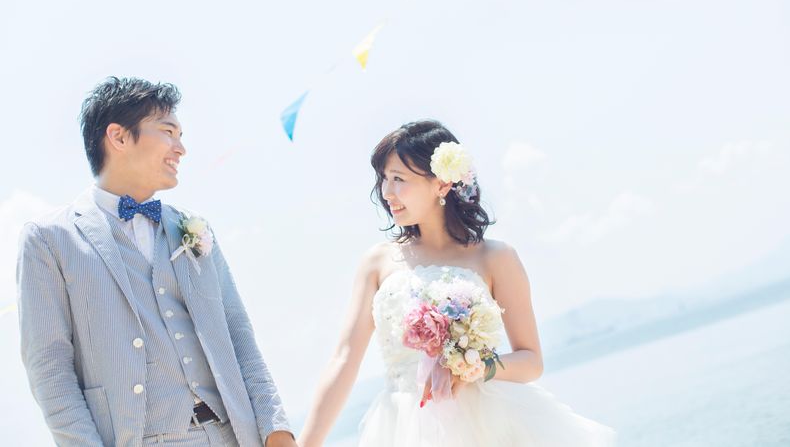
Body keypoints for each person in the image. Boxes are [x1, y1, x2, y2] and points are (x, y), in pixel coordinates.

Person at [299, 120, 616, 446]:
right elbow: (343, 359)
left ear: (441, 184)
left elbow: (531, 361)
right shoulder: (376, 263)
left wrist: (475, 368)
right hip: (402, 428)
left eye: (398, 179)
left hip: (486, 424)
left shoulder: (496, 257)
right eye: (384, 178)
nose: (387, 192)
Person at [17, 77, 296, 447]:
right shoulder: (49, 239)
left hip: (233, 434)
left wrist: (277, 429)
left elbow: (239, 336)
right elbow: (50, 370)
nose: (181, 148)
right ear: (118, 137)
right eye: (168, 132)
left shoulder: (192, 226)